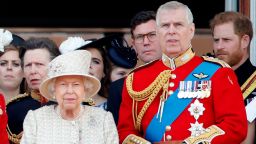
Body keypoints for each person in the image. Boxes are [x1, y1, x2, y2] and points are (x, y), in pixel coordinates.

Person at [118, 1, 247, 144]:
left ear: (191, 30)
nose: (171, 31)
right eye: (165, 25)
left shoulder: (218, 72)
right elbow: (125, 131)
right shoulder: (136, 79)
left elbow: (235, 126)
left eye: (178, 25)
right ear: (158, 32)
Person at [20, 50, 118, 144]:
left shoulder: (104, 119)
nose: (70, 91)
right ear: (54, 89)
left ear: (85, 89)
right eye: (63, 84)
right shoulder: (36, 119)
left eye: (76, 84)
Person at [107, 10, 162, 125]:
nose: (146, 42)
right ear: (133, 44)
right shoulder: (119, 88)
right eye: (140, 37)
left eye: (152, 35)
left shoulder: (184, 77)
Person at [210, 11, 256, 144]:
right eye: (216, 40)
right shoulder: (205, 79)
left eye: (226, 40)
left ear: (245, 41)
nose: (219, 47)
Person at [7, 37, 60, 143]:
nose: (32, 71)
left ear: (55, 67)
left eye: (39, 64)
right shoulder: (13, 110)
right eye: (28, 65)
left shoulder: (77, 104)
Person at [0, 29, 25, 102]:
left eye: (16, 64)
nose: (9, 68)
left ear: (24, 72)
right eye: (3, 63)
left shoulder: (36, 108)